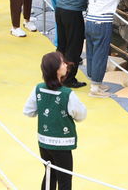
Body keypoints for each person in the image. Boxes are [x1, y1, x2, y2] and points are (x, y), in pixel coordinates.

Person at [23, 51, 87, 190]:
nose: (65, 65)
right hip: (62, 144)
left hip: (44, 141)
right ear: (57, 70)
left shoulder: (38, 89)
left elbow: (28, 111)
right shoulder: (67, 94)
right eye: (62, 63)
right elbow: (81, 115)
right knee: (65, 180)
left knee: (49, 175)